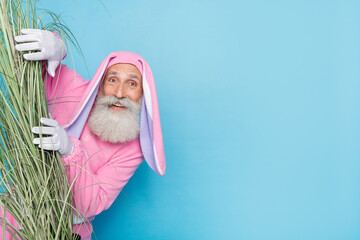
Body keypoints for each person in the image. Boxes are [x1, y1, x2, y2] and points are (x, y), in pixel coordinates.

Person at [0, 29, 166, 240]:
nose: (120, 93)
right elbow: (25, 63)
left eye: (132, 84)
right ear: (100, 84)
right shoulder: (75, 90)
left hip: (66, 232)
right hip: (13, 218)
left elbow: (90, 206)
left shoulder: (134, 149)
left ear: (143, 93)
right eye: (112, 80)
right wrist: (57, 46)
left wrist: (70, 151)